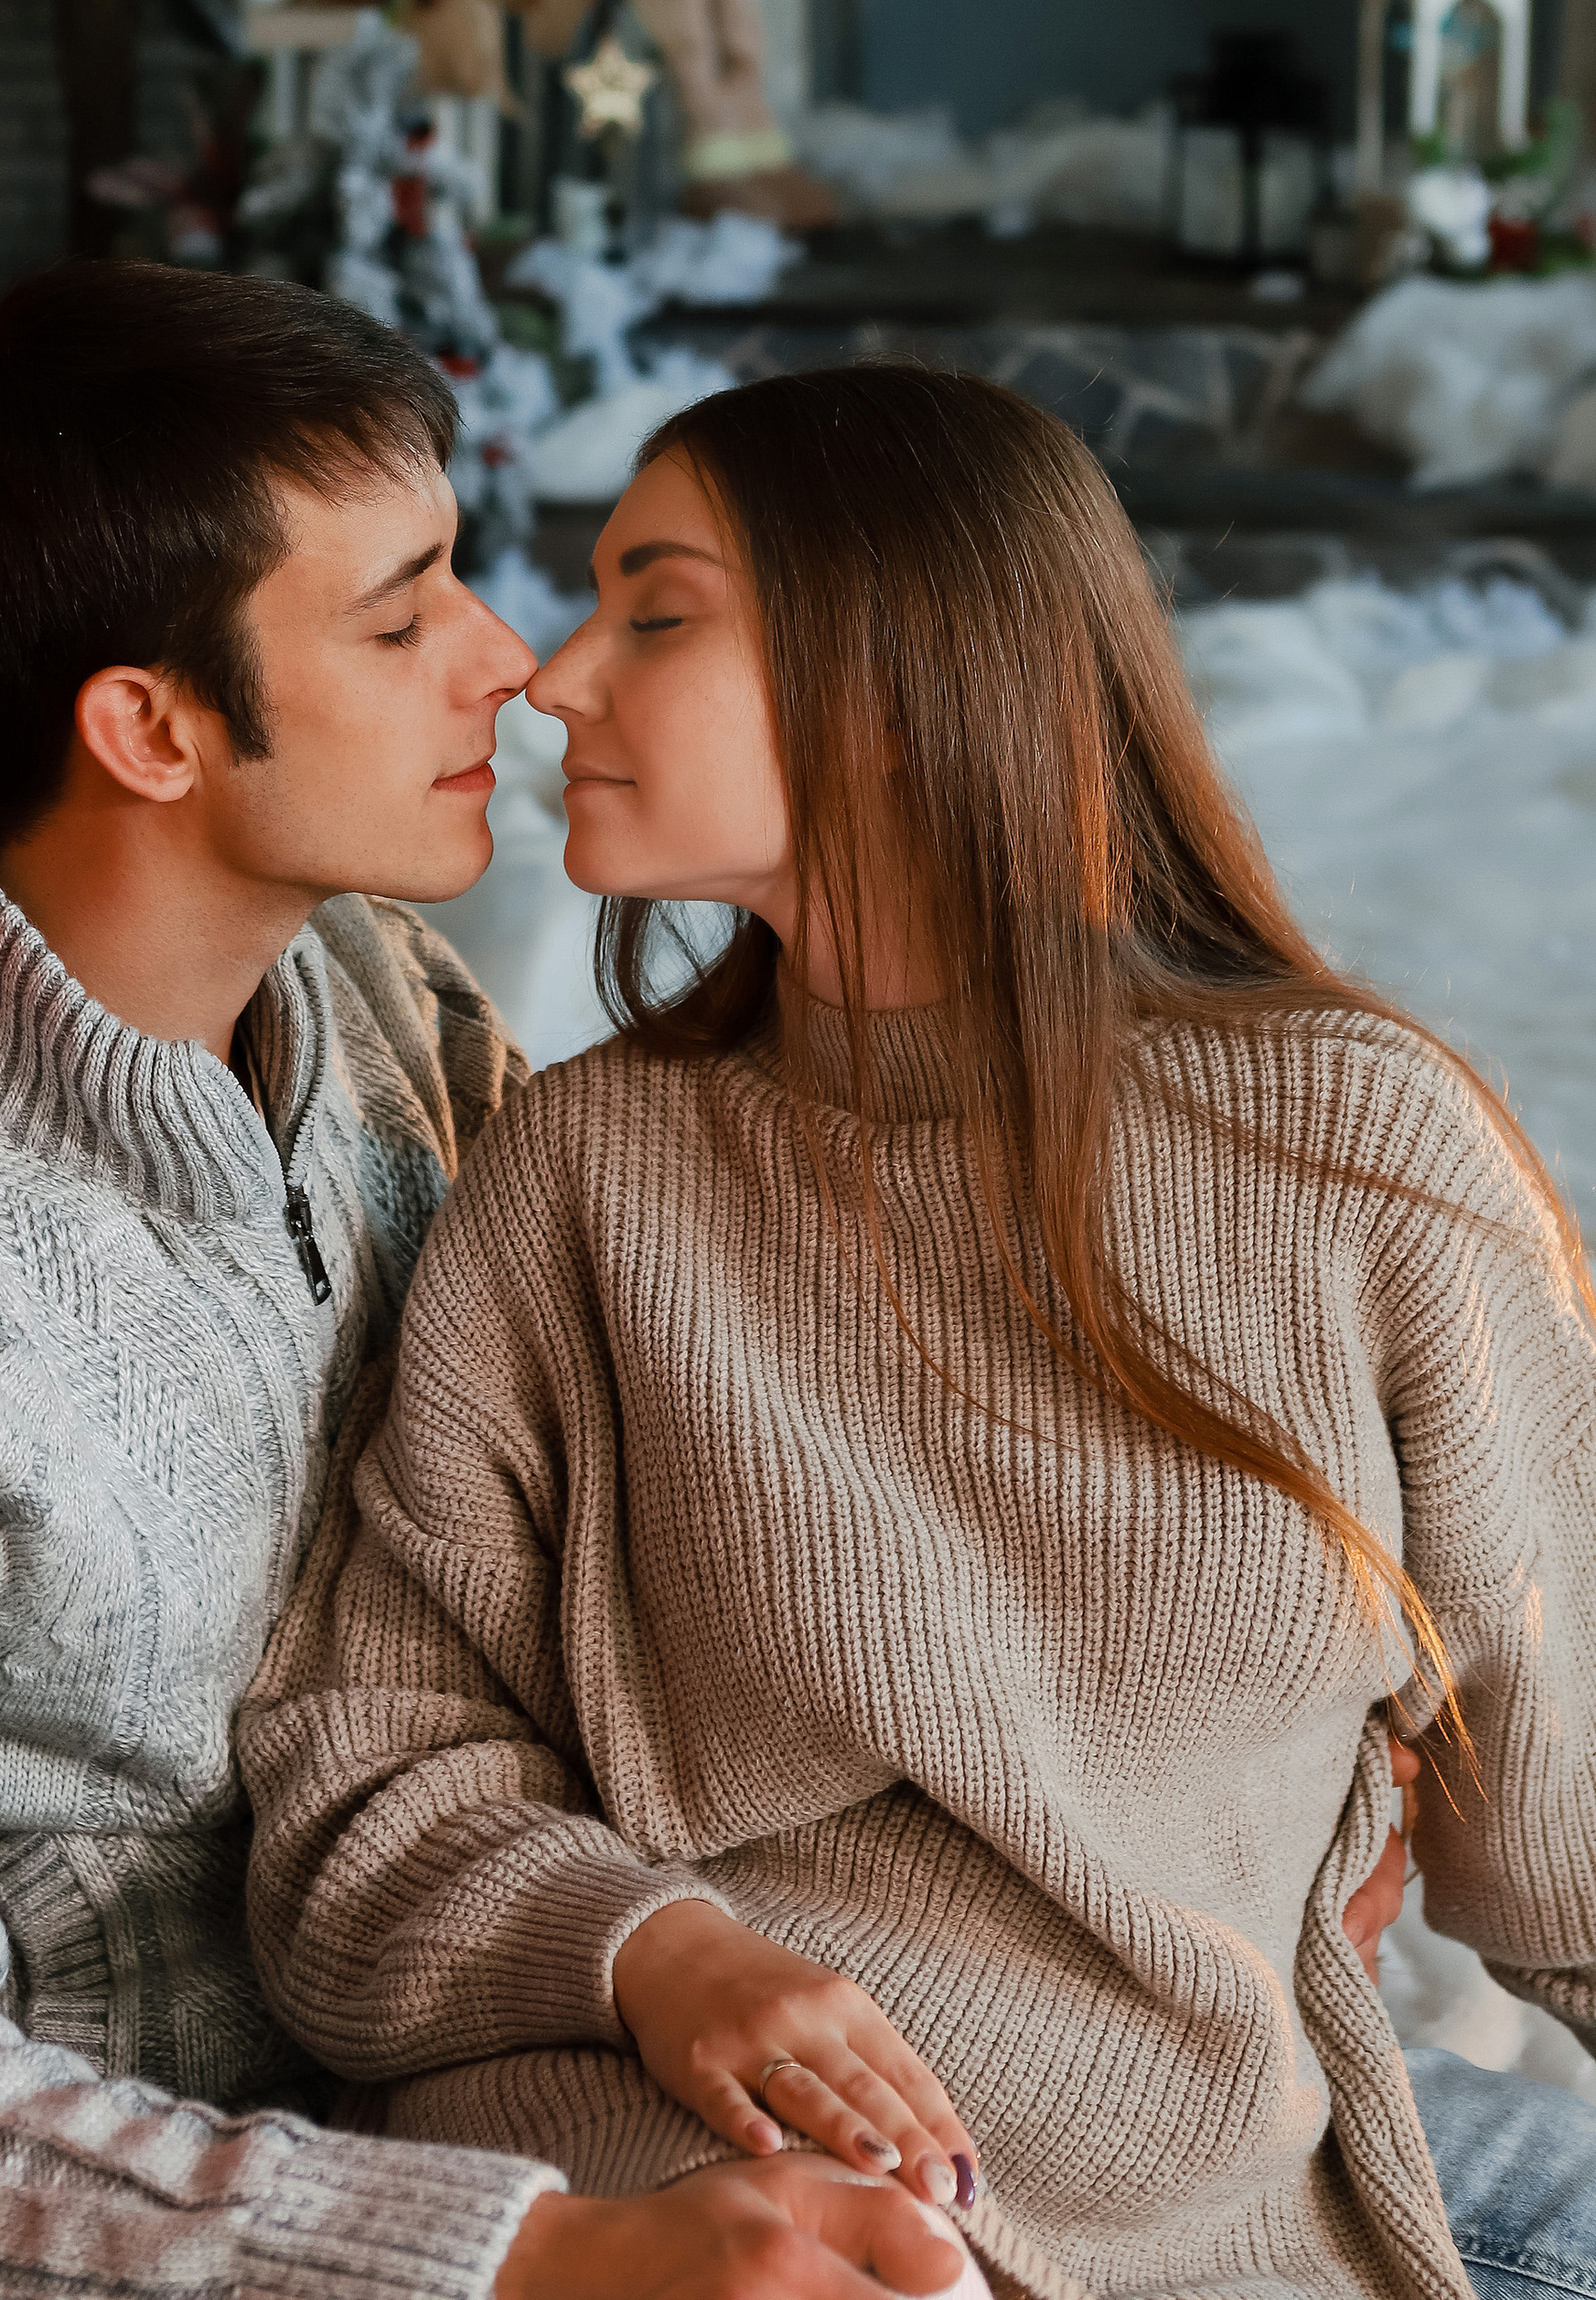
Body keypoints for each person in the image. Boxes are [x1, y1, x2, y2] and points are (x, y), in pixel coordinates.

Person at [0, 268, 979, 2300]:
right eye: (398, 613)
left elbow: (666, 1377)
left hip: (577, 2001)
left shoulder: (361, 991)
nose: (506, 666)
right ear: (152, 729)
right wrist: (540, 2266)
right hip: (252, 2210)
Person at [241, 362, 1596, 2300]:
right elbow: (361, 1790)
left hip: (1196, 2211)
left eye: (656, 610)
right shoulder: (581, 1179)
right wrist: (649, 1950)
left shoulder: (1353, 1154)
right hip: (667, 2188)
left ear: (896, 671)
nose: (548, 678)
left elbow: (1563, 1821)